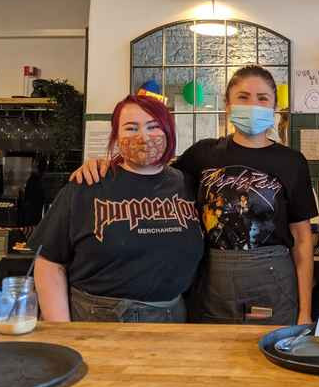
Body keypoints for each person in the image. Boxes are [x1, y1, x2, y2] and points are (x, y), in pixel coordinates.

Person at [70, 66, 318, 325]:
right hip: (212, 281)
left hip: (272, 278)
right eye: (243, 97)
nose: (253, 105)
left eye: (263, 98)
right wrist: (107, 165)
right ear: (228, 105)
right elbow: (152, 173)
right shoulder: (203, 154)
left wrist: (305, 313)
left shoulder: (291, 162)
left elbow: (302, 241)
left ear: (274, 107)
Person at [30, 94, 204, 322]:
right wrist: (62, 331)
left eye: (153, 126)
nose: (143, 137)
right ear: (116, 136)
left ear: (168, 131)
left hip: (172, 320)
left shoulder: (188, 184)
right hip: (97, 319)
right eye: (131, 128)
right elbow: (49, 262)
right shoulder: (87, 185)